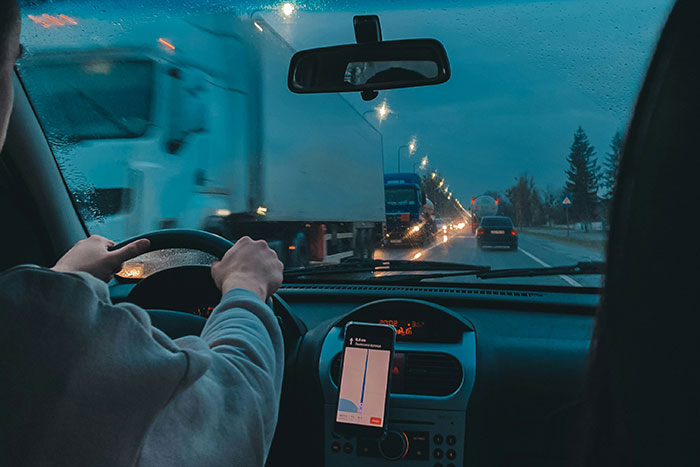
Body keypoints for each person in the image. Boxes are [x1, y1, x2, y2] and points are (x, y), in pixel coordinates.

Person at [0, 2, 285, 465]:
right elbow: (233, 412)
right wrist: (246, 288)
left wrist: (64, 280)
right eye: (13, 62)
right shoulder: (44, 337)